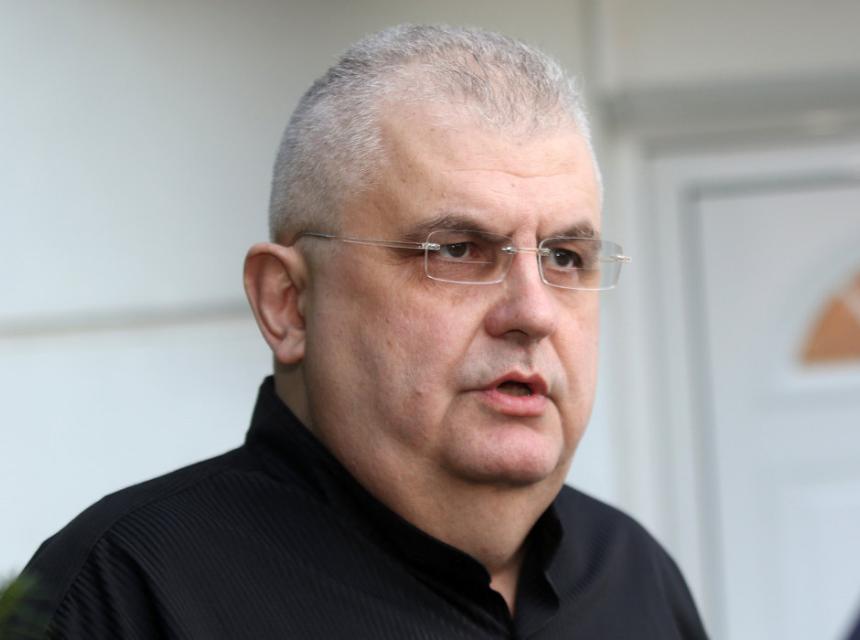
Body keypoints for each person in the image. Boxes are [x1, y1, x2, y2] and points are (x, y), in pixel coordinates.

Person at [14, 24, 707, 639]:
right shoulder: (123, 596)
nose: (533, 312)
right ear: (288, 303)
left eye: (565, 257)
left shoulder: (633, 577)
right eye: (456, 250)